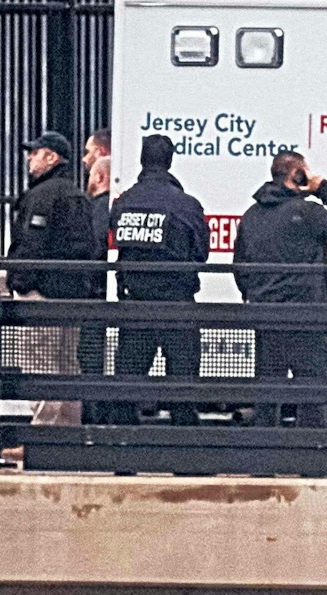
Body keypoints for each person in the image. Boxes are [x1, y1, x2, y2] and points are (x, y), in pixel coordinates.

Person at [232, 150, 327, 426]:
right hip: (306, 316)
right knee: (313, 391)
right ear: (296, 175)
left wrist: (254, 297)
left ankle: (263, 458)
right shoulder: (306, 212)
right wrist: (323, 188)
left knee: (268, 390)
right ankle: (310, 457)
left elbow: (240, 267)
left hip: (266, 316)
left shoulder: (251, 216)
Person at [108, 134, 209, 426]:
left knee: (128, 383)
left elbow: (118, 244)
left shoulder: (124, 202)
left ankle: (124, 453)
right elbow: (200, 253)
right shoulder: (186, 205)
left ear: (142, 160)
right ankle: (185, 454)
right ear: (170, 160)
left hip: (135, 304)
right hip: (177, 304)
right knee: (183, 384)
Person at [6, 129, 102, 426]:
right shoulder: (79, 195)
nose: (29, 159)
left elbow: (30, 246)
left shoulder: (41, 196)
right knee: (67, 366)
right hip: (72, 295)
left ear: (51, 157)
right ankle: (67, 434)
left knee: (41, 363)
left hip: (42, 294)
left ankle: (41, 433)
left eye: (34, 153)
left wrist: (20, 283)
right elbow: (89, 246)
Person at [77, 152, 115, 379]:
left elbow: (95, 246)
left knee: (90, 355)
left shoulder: (98, 208)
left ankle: (94, 409)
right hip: (104, 288)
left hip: (94, 290)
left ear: (100, 177)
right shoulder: (113, 206)